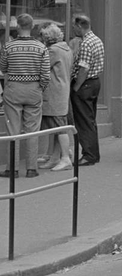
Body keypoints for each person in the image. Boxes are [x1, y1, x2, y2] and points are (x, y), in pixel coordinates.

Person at [1, 13, 49, 178]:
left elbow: (3, 68)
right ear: (32, 26)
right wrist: (39, 88)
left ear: (18, 27)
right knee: (32, 130)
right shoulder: (41, 47)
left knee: (12, 130)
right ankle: (31, 168)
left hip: (14, 88)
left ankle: (12, 168)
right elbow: (45, 75)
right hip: (34, 89)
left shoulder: (9, 46)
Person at [38, 23, 74, 171]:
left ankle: (65, 157)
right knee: (57, 126)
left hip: (54, 92)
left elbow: (42, 67)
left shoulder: (53, 51)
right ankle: (55, 157)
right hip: (63, 89)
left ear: (48, 38)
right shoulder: (66, 49)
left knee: (59, 127)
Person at [70, 13, 105, 166]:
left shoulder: (85, 43)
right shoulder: (96, 40)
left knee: (83, 121)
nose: (73, 30)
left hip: (85, 84)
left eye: (74, 27)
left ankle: (88, 155)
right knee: (90, 119)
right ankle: (93, 153)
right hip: (95, 82)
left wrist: (76, 87)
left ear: (79, 26)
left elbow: (83, 68)